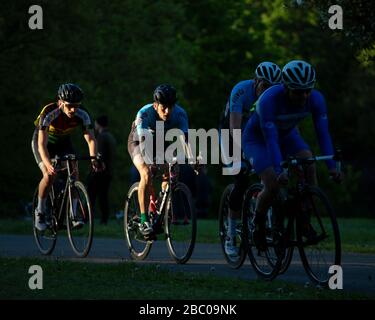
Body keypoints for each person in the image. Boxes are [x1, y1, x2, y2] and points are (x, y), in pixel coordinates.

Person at [242, 60, 343, 250]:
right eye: (298, 91)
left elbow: (323, 134)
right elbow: (271, 139)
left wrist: (332, 168)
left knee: (309, 162)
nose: (304, 96)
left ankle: (305, 218)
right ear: (286, 87)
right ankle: (258, 223)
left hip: (286, 135)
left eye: (307, 90)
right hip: (257, 139)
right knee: (272, 183)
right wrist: (280, 169)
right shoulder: (269, 100)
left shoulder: (316, 99)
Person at [219, 62, 282, 257]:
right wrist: (244, 156)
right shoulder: (241, 91)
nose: (268, 90)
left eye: (272, 87)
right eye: (264, 86)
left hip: (257, 134)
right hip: (231, 134)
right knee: (241, 177)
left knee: (272, 176)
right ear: (255, 82)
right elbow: (234, 128)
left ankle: (264, 222)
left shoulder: (276, 96)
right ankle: (231, 234)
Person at [31, 83, 101, 231]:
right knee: (49, 176)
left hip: (63, 143)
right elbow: (41, 145)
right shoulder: (49, 112)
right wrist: (48, 163)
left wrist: (93, 158)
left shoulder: (82, 113)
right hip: (43, 144)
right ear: (60, 102)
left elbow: (91, 139)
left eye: (76, 105)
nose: (73, 110)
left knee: (74, 174)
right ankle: (40, 211)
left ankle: (73, 213)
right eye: (69, 106)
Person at [127, 84, 193, 237]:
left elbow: (186, 140)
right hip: (138, 141)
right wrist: (152, 163)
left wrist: (193, 159)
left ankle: (159, 206)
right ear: (155, 105)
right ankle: (144, 220)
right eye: (164, 107)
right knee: (146, 173)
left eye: (171, 107)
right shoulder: (144, 114)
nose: (168, 111)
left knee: (172, 170)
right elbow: (143, 144)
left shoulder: (180, 114)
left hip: (160, 141)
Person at [87, 115, 117, 225]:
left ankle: (87, 218)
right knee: (103, 197)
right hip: (108, 172)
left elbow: (99, 155)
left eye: (95, 124)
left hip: (99, 172)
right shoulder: (110, 136)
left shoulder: (101, 137)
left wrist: (94, 169)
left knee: (91, 196)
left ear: (98, 124)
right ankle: (104, 219)